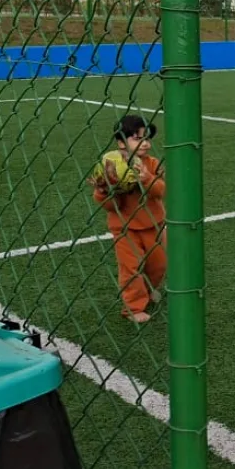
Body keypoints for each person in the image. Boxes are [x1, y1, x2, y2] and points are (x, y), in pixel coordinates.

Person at [90, 115, 166, 324]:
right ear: (121, 142)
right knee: (130, 268)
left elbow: (160, 191)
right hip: (124, 229)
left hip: (155, 225)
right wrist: (104, 190)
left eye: (147, 139)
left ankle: (149, 288)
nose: (145, 143)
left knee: (158, 265)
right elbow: (111, 207)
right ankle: (133, 307)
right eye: (137, 138)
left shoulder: (152, 163)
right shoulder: (111, 166)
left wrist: (147, 179)